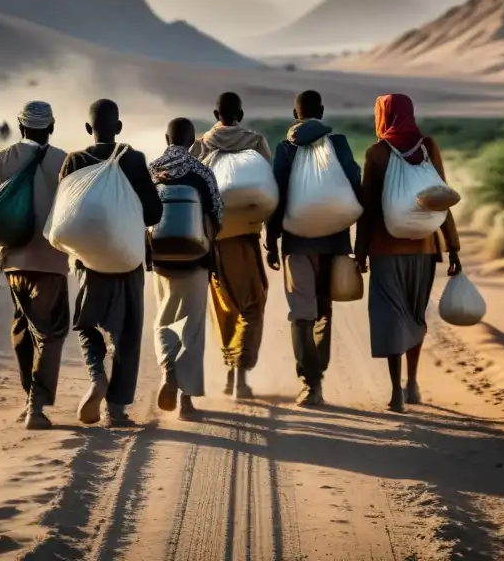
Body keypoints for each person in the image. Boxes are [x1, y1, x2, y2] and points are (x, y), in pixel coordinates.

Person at [59, 99, 164, 427]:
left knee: (88, 322)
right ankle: (116, 408)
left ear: (89, 129)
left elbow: (62, 212)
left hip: (88, 261)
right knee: (127, 332)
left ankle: (95, 375)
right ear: (118, 128)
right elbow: (153, 213)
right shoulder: (132, 159)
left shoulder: (75, 160)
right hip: (128, 259)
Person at [354, 94, 461, 413]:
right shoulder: (429, 147)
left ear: (383, 115)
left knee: (391, 318)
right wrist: (453, 246)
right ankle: (413, 383)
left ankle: (396, 392)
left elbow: (368, 209)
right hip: (426, 248)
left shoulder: (376, 153)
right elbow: (442, 196)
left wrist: (360, 251)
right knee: (416, 314)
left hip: (386, 250)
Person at [0, 101, 69, 430]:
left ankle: (30, 395)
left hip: (12, 262)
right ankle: (36, 406)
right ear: (51, 128)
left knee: (23, 330)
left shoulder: (0, 159)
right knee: (51, 334)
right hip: (52, 263)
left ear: (20, 126)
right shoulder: (66, 162)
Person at [266, 90, 362, 407]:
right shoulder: (339, 144)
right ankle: (317, 366)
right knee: (323, 310)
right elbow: (354, 183)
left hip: (296, 243)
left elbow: (277, 194)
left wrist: (271, 238)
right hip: (334, 242)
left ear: (295, 115)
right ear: (321, 111)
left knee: (301, 315)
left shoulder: (285, 148)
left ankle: (311, 382)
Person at [190, 91, 273, 399]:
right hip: (246, 237)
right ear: (241, 112)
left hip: (214, 238)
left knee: (225, 306)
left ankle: (230, 373)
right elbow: (269, 186)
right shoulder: (255, 141)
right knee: (252, 305)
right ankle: (239, 373)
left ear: (216, 114)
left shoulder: (201, 144)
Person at [148, 118, 224, 419]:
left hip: (163, 259)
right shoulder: (202, 172)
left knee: (165, 318)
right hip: (195, 259)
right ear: (194, 142)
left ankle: (168, 370)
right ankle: (187, 401)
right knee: (192, 327)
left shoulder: (152, 170)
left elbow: (143, 213)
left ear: (167, 138)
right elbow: (217, 214)